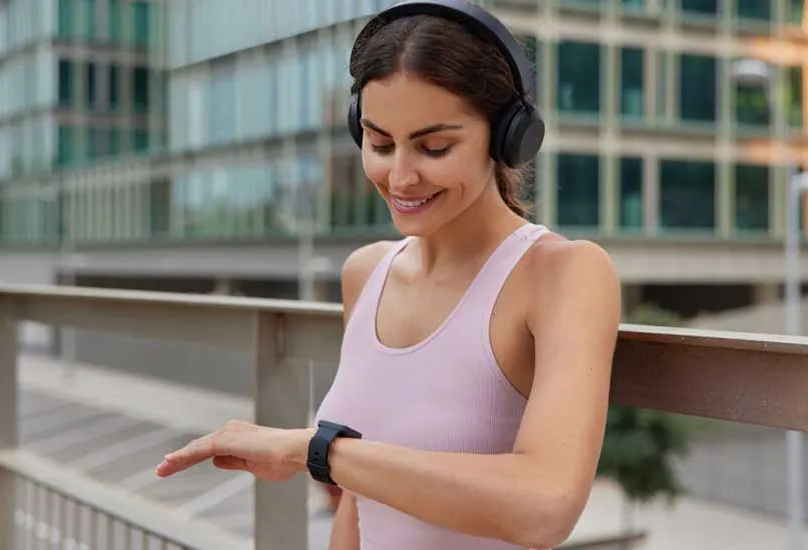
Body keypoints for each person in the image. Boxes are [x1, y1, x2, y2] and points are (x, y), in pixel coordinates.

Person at [154, 1, 621, 548]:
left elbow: (544, 507)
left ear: (508, 138)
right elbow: (361, 504)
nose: (399, 176)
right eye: (378, 143)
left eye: (434, 147)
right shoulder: (367, 272)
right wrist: (334, 458)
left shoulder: (564, 273)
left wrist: (315, 450)